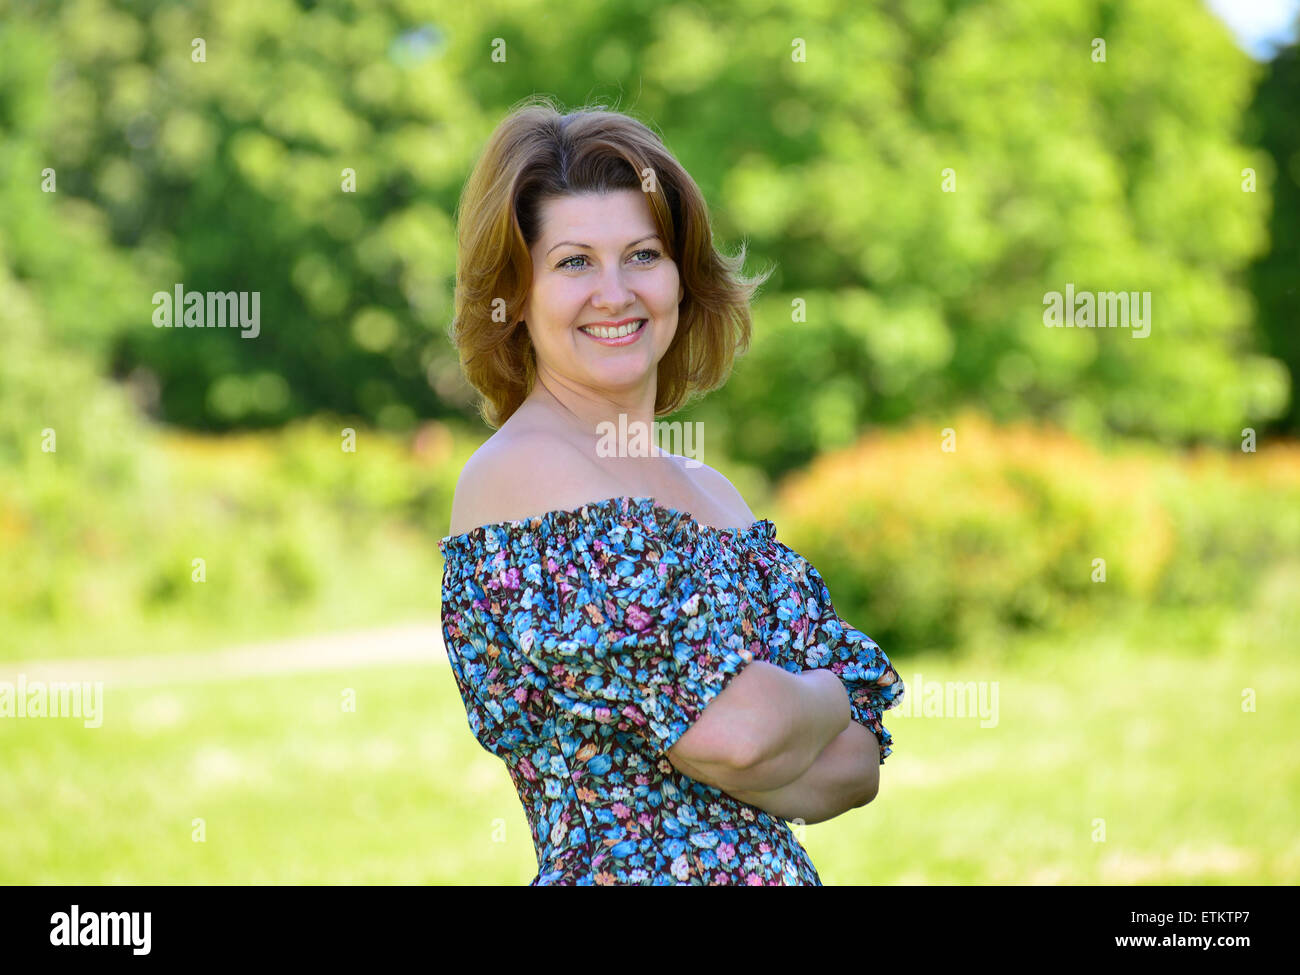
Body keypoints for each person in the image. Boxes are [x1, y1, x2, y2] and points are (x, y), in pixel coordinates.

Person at [437, 95, 904, 885]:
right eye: (573, 261)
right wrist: (826, 692)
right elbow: (741, 735)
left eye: (643, 255)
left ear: (682, 278)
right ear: (516, 297)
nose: (615, 293)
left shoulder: (712, 491)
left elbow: (858, 766)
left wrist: (770, 723)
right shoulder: (522, 476)